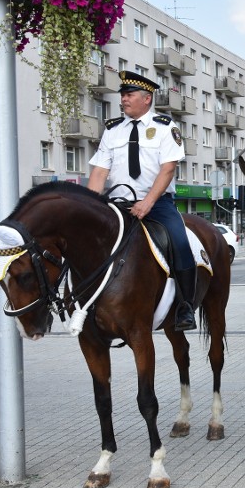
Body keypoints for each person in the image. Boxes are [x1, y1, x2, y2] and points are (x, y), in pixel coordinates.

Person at [87, 70, 197, 331]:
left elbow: (168, 169)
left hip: (157, 204)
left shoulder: (165, 127)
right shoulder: (112, 131)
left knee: (180, 243)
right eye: (123, 95)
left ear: (146, 99)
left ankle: (185, 305)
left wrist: (148, 202)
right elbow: (100, 172)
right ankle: (85, 301)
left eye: (129, 95)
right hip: (118, 204)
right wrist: (89, 207)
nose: (123, 100)